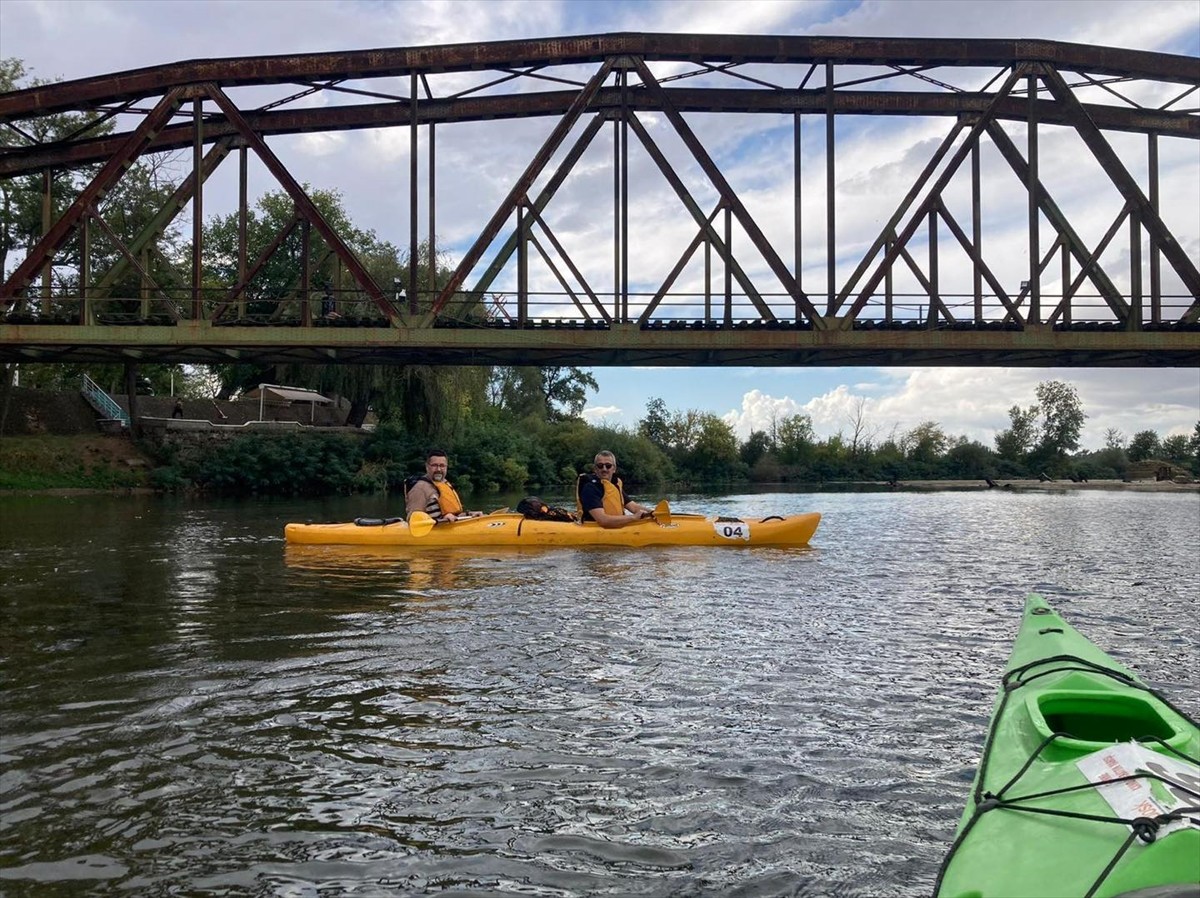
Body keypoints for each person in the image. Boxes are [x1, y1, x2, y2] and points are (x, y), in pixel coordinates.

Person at [576, 450, 655, 529]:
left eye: (608, 466)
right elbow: (603, 520)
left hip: (616, 527)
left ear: (614, 469)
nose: (604, 469)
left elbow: (634, 507)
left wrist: (653, 512)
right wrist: (633, 517)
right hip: (595, 528)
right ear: (595, 469)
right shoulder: (590, 488)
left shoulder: (615, 485)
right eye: (600, 466)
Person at [405, 449, 481, 523]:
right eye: (434, 465)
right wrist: (442, 519)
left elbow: (453, 515)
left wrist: (469, 514)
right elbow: (413, 520)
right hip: (432, 532)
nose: (438, 469)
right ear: (427, 467)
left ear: (446, 467)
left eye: (442, 466)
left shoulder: (445, 484)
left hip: (449, 527)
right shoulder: (419, 489)